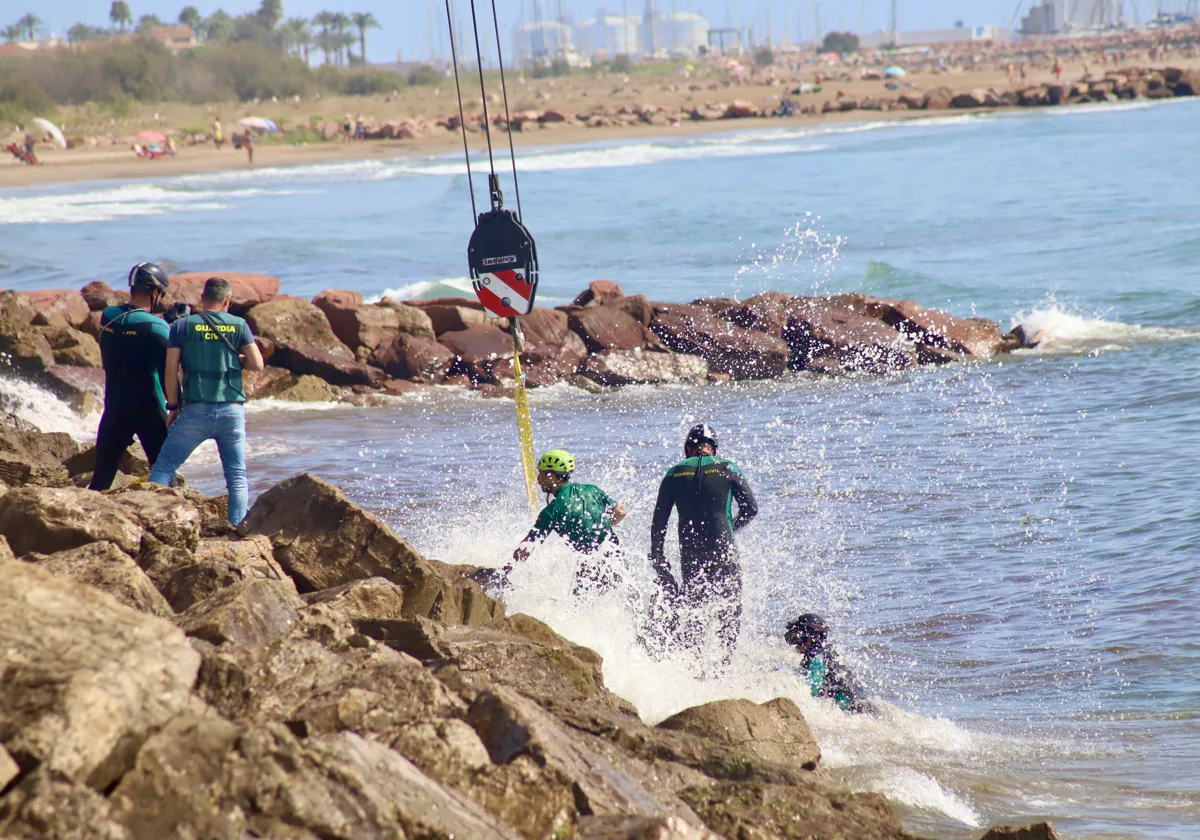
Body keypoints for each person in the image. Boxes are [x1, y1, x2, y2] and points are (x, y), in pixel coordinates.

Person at [148, 277, 264, 526]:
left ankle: (150, 521)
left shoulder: (182, 327)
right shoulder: (239, 325)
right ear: (227, 301)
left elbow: (170, 371)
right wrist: (238, 358)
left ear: (202, 298)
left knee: (164, 467)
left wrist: (173, 406)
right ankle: (236, 528)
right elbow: (257, 364)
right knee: (236, 476)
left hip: (195, 411)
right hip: (231, 411)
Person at [649, 424, 757, 659]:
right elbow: (751, 509)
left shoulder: (674, 473)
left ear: (688, 448)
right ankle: (726, 663)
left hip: (691, 553)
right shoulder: (728, 468)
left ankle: (693, 663)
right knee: (729, 609)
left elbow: (659, 521)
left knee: (694, 608)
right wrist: (730, 530)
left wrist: (657, 554)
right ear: (714, 449)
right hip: (723, 550)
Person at [479, 450, 628, 594]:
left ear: (551, 476)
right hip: (616, 558)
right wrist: (603, 526)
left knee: (580, 607)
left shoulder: (552, 511)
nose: (538, 479)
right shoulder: (593, 490)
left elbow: (528, 546)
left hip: (590, 567)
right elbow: (621, 512)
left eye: (541, 473)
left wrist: (505, 571)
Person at [89, 262, 174, 491]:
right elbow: (170, 372)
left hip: (115, 408)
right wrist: (176, 406)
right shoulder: (158, 328)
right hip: (150, 411)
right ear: (155, 292)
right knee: (167, 478)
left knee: (100, 480)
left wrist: (163, 321)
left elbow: (131, 324)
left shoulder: (108, 317)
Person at [784, 613, 868, 714]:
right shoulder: (830, 653)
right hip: (862, 707)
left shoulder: (816, 659)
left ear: (810, 637)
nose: (794, 643)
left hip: (852, 713)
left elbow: (809, 691)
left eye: (796, 638)